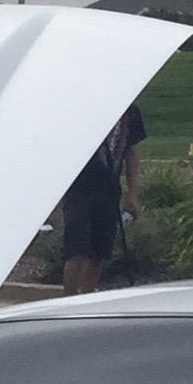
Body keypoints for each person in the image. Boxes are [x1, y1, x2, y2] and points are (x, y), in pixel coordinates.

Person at [60, 99, 148, 294]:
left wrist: (132, 193)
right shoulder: (85, 110)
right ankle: (68, 299)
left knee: (98, 253)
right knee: (77, 251)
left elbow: (131, 153)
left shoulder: (130, 112)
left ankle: (88, 295)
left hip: (109, 191)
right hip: (79, 190)